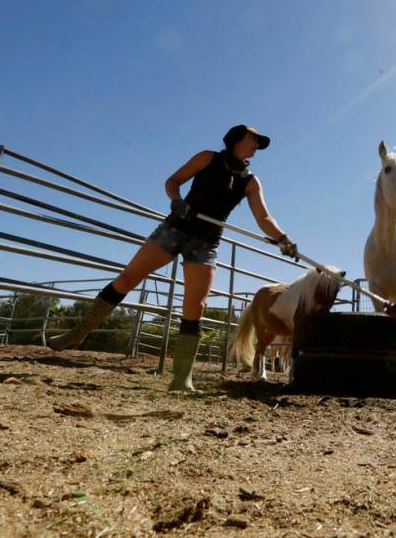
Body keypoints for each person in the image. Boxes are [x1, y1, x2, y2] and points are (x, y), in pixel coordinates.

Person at [48, 125, 298, 392]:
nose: (256, 145)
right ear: (236, 139)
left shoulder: (250, 181)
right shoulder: (207, 158)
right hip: (175, 229)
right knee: (128, 278)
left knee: (196, 306)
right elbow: (173, 181)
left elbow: (263, 217)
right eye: (253, 140)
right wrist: (176, 199)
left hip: (206, 242)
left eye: (259, 143)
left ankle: (182, 378)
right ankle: (79, 332)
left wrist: (282, 239)